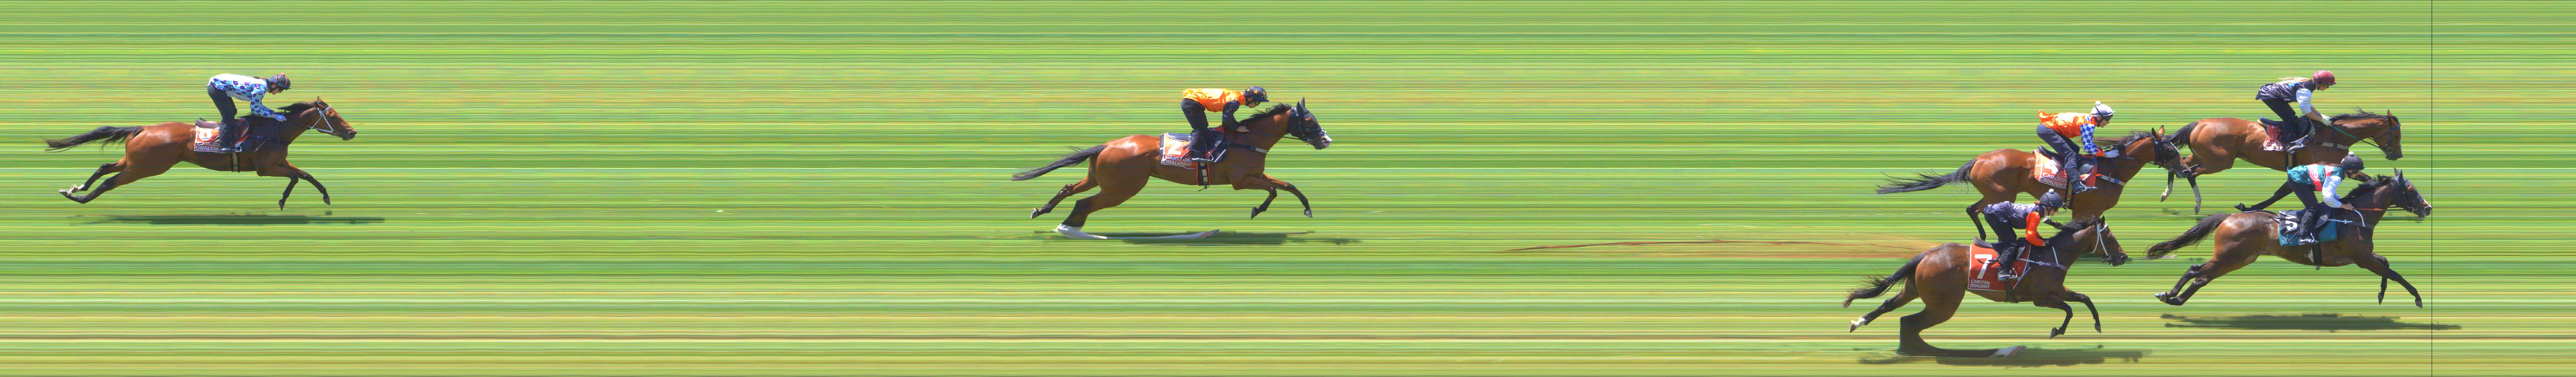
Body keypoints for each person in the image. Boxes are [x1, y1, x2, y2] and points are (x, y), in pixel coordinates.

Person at [2237, 153, 2365, 265]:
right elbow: (2328, 199)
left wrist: (2340, 202)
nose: (2358, 174)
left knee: (2315, 205)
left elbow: (2330, 193)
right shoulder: (2336, 177)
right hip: (2298, 180)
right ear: (2350, 170)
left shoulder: (2338, 171)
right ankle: (2303, 236)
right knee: (2313, 208)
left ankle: (2252, 209)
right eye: (2357, 171)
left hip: (2301, 176)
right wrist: (2343, 206)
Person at [1980, 190, 2067, 281]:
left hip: (1996, 212)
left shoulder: (2038, 211)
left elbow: (2032, 231)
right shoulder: (2036, 215)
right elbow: (2030, 237)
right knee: (2011, 244)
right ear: (2049, 208)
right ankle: (2003, 272)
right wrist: (2043, 243)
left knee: (2011, 239)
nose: (2058, 211)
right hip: (1996, 214)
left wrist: (2041, 239)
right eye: (2056, 209)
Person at [2037, 102, 2116, 193]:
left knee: (2075, 149)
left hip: (2050, 128)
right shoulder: (2088, 125)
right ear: (2099, 118)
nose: (2109, 122)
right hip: (2048, 130)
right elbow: (2088, 148)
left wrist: (2101, 152)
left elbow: (2089, 144)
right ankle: (2077, 185)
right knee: (2071, 154)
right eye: (2108, 119)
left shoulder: (2089, 120)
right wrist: (2107, 155)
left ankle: (2071, 169)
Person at [207, 73, 293, 153]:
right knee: (229, 117)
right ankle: (224, 146)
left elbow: (259, 105)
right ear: (274, 85)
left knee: (233, 112)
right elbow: (255, 110)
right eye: (281, 89)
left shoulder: (262, 86)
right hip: (216, 87)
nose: (280, 92)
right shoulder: (260, 89)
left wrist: (273, 113)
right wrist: (274, 116)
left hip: (219, 85)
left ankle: (229, 134)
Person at [1179, 86, 1269, 162]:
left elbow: (1229, 118)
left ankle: (1197, 143)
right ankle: (1196, 155)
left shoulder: (1237, 97)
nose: (1258, 105)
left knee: (1203, 126)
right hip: (1192, 103)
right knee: (1201, 129)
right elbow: (1226, 121)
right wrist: (1237, 128)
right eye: (1258, 102)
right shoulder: (1235, 102)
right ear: (1250, 99)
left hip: (1193, 102)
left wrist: (1237, 126)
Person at [2254, 71, 2335, 151]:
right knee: (2290, 120)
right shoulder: (2306, 90)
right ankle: (2288, 144)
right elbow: (2307, 112)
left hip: (2273, 94)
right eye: (2327, 85)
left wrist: (2322, 116)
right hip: (2270, 95)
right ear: (2320, 83)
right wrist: (2322, 120)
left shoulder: (2309, 85)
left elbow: (2308, 106)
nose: (2328, 88)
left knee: (2292, 115)